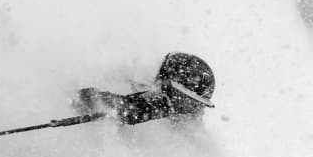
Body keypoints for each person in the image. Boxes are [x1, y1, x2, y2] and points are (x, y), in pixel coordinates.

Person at [73, 52, 215, 126]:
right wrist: (121, 108)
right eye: (192, 104)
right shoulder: (142, 95)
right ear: (171, 91)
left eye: (199, 105)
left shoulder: (188, 128)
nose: (196, 112)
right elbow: (86, 97)